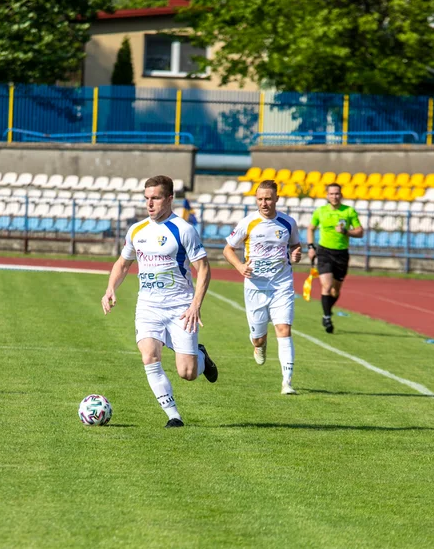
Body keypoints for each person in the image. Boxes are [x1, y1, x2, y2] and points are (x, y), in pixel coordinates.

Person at [101, 175, 217, 428]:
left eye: (155, 198)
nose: (149, 204)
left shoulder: (184, 230)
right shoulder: (137, 230)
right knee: (149, 358)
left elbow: (204, 269)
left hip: (180, 307)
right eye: (146, 199)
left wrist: (195, 305)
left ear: (169, 199)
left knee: (187, 373)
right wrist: (110, 288)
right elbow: (123, 263)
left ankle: (200, 355)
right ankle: (173, 416)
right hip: (148, 306)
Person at [223, 180, 303, 394]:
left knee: (284, 329)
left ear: (277, 198)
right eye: (260, 199)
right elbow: (228, 249)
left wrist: (296, 254)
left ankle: (287, 382)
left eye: (268, 198)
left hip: (281, 285)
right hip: (255, 287)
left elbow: (295, 245)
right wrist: (240, 266)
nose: (264, 203)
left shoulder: (288, 223)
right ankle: (259, 344)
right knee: (258, 337)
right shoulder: (248, 223)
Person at [307, 182, 363, 333]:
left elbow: (360, 231)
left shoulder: (349, 211)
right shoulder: (320, 211)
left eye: (337, 193)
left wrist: (346, 232)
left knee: (335, 291)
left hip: (341, 254)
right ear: (327, 195)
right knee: (327, 286)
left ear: (341, 195)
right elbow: (311, 228)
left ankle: (328, 309)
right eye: (331, 194)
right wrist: (311, 247)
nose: (334, 196)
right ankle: (326, 317)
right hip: (324, 252)